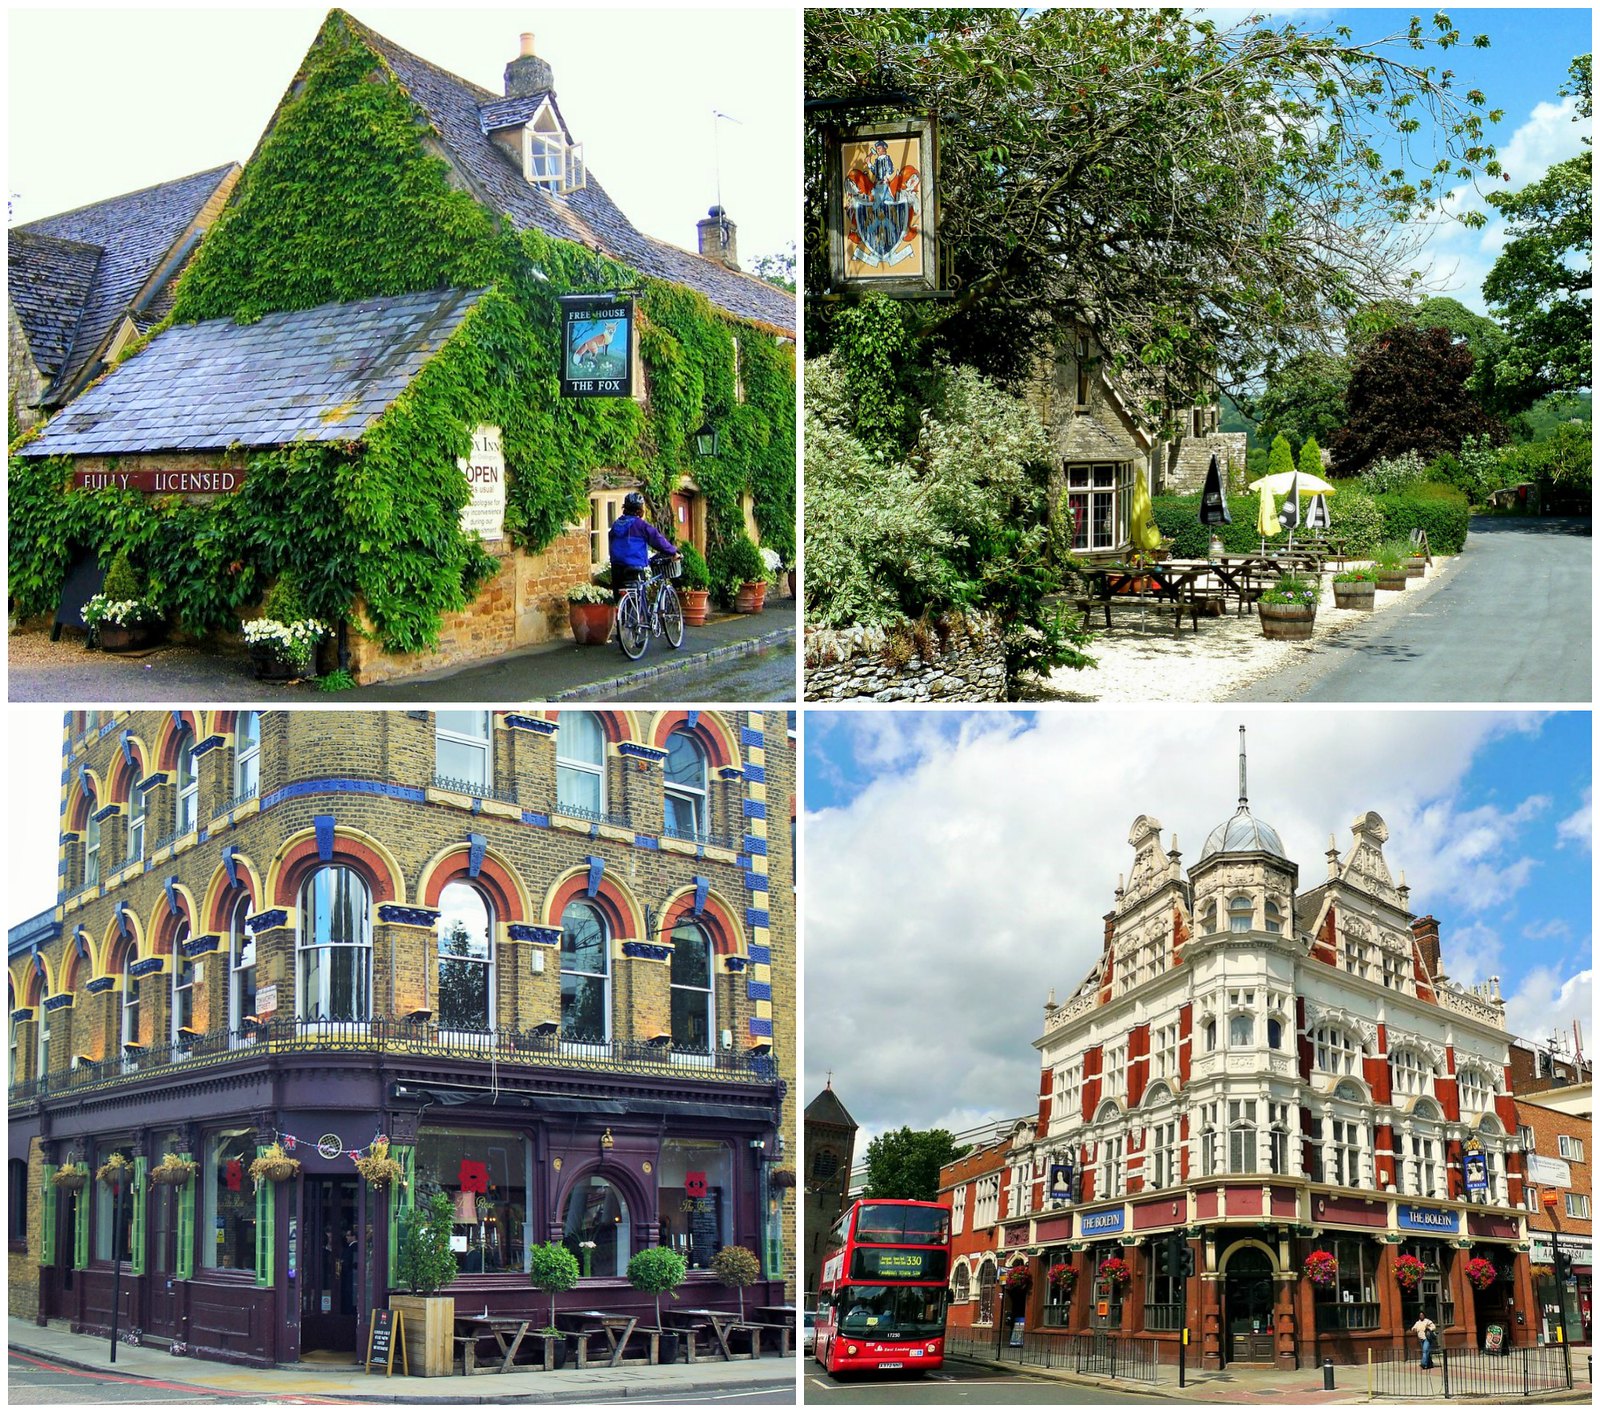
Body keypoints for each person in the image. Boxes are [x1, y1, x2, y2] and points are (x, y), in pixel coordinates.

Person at [607, 492, 679, 595]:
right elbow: (657, 540)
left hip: (616, 566)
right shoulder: (641, 525)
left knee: (620, 599)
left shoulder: (616, 524)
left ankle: (621, 609)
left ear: (625, 508)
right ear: (640, 509)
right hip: (634, 565)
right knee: (640, 597)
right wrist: (673, 551)